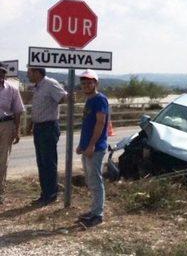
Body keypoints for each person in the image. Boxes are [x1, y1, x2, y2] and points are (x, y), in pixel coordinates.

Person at [27, 67, 67, 205]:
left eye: (29, 71)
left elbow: (63, 97)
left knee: (48, 162)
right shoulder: (37, 87)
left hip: (48, 127)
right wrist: (31, 125)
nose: (27, 74)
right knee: (42, 162)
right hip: (39, 127)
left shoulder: (50, 83)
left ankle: (51, 195)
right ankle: (45, 193)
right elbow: (38, 107)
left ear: (37, 72)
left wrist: (67, 97)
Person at [76, 69, 108, 227]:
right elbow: (87, 125)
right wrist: (81, 145)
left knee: (95, 181)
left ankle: (98, 215)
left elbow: (100, 123)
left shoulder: (100, 99)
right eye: (83, 83)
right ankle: (94, 210)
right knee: (90, 180)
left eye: (90, 82)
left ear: (96, 83)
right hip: (87, 147)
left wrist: (91, 145)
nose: (86, 85)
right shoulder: (90, 100)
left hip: (95, 148)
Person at [0, 63, 25, 205]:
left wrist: (17, 130)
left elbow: (17, 111)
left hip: (6, 125)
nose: (0, 75)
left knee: (3, 160)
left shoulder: (12, 89)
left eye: (2, 72)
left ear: (5, 74)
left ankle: (0, 191)